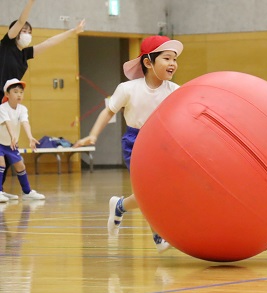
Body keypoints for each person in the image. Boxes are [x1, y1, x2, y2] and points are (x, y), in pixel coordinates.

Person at [73, 35, 183, 253]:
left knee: (153, 193)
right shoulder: (127, 88)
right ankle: (158, 235)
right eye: (167, 58)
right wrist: (93, 135)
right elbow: (108, 111)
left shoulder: (175, 90)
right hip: (136, 142)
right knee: (151, 191)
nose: (173, 64)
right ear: (148, 62)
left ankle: (120, 206)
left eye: (175, 59)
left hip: (163, 143)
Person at [0, 0, 85, 199]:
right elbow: (21, 20)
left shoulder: (24, 55)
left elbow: (48, 43)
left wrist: (72, 31)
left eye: (30, 30)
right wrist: (31, 3)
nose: (27, 32)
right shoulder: (6, 44)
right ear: (15, 31)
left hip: (7, 102)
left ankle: (2, 190)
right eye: (24, 29)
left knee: (6, 146)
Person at [0, 78, 45, 202]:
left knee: (20, 165)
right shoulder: (2, 108)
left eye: (21, 92)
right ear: (7, 94)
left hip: (11, 144)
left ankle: (27, 192)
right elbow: (8, 123)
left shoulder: (22, 109)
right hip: (1, 143)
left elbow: (25, 122)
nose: (19, 94)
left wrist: (30, 137)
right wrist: (13, 135)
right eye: (15, 92)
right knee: (1, 163)